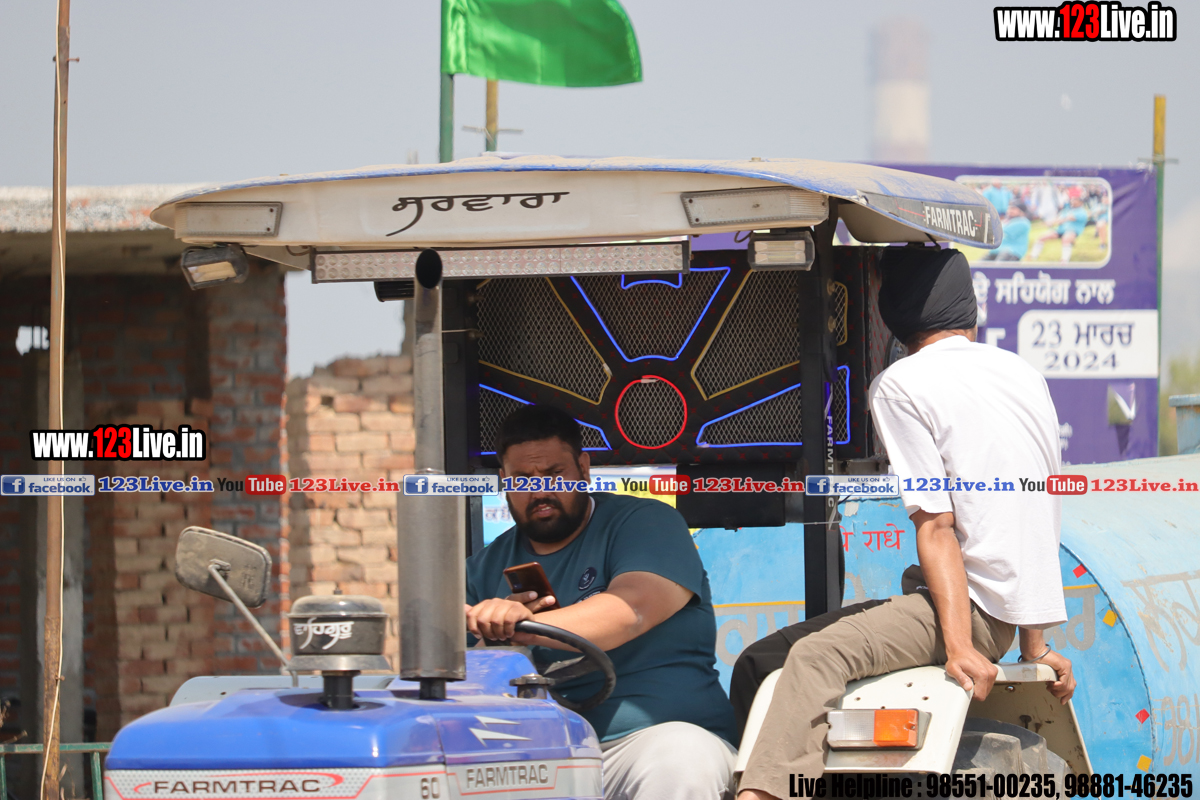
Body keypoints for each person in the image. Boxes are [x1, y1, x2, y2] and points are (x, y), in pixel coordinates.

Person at [731, 247, 1077, 799]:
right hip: (1000, 614)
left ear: (891, 319)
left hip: (968, 613)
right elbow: (1035, 510)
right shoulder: (1023, 374)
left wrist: (960, 646)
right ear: (969, 311)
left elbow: (936, 524)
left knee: (816, 657)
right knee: (761, 662)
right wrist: (1033, 645)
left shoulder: (901, 383)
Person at [465, 403, 738, 800]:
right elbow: (457, 678)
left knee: (681, 759)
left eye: (554, 474)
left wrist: (519, 626)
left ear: (583, 468)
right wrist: (488, 638)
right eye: (523, 479)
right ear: (504, 481)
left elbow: (632, 609)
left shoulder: (645, 522)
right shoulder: (482, 568)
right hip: (536, 753)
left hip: (648, 741)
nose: (540, 491)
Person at [1031, 192, 1089, 262]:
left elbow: (1068, 218)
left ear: (1081, 202)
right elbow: (1058, 219)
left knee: (1066, 239)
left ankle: (1064, 260)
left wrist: (1055, 222)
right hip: (1060, 230)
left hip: (1072, 231)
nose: (1073, 201)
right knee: (1041, 237)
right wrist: (1050, 223)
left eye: (1075, 200)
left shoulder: (1082, 212)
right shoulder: (1066, 210)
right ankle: (1033, 256)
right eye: (1072, 199)